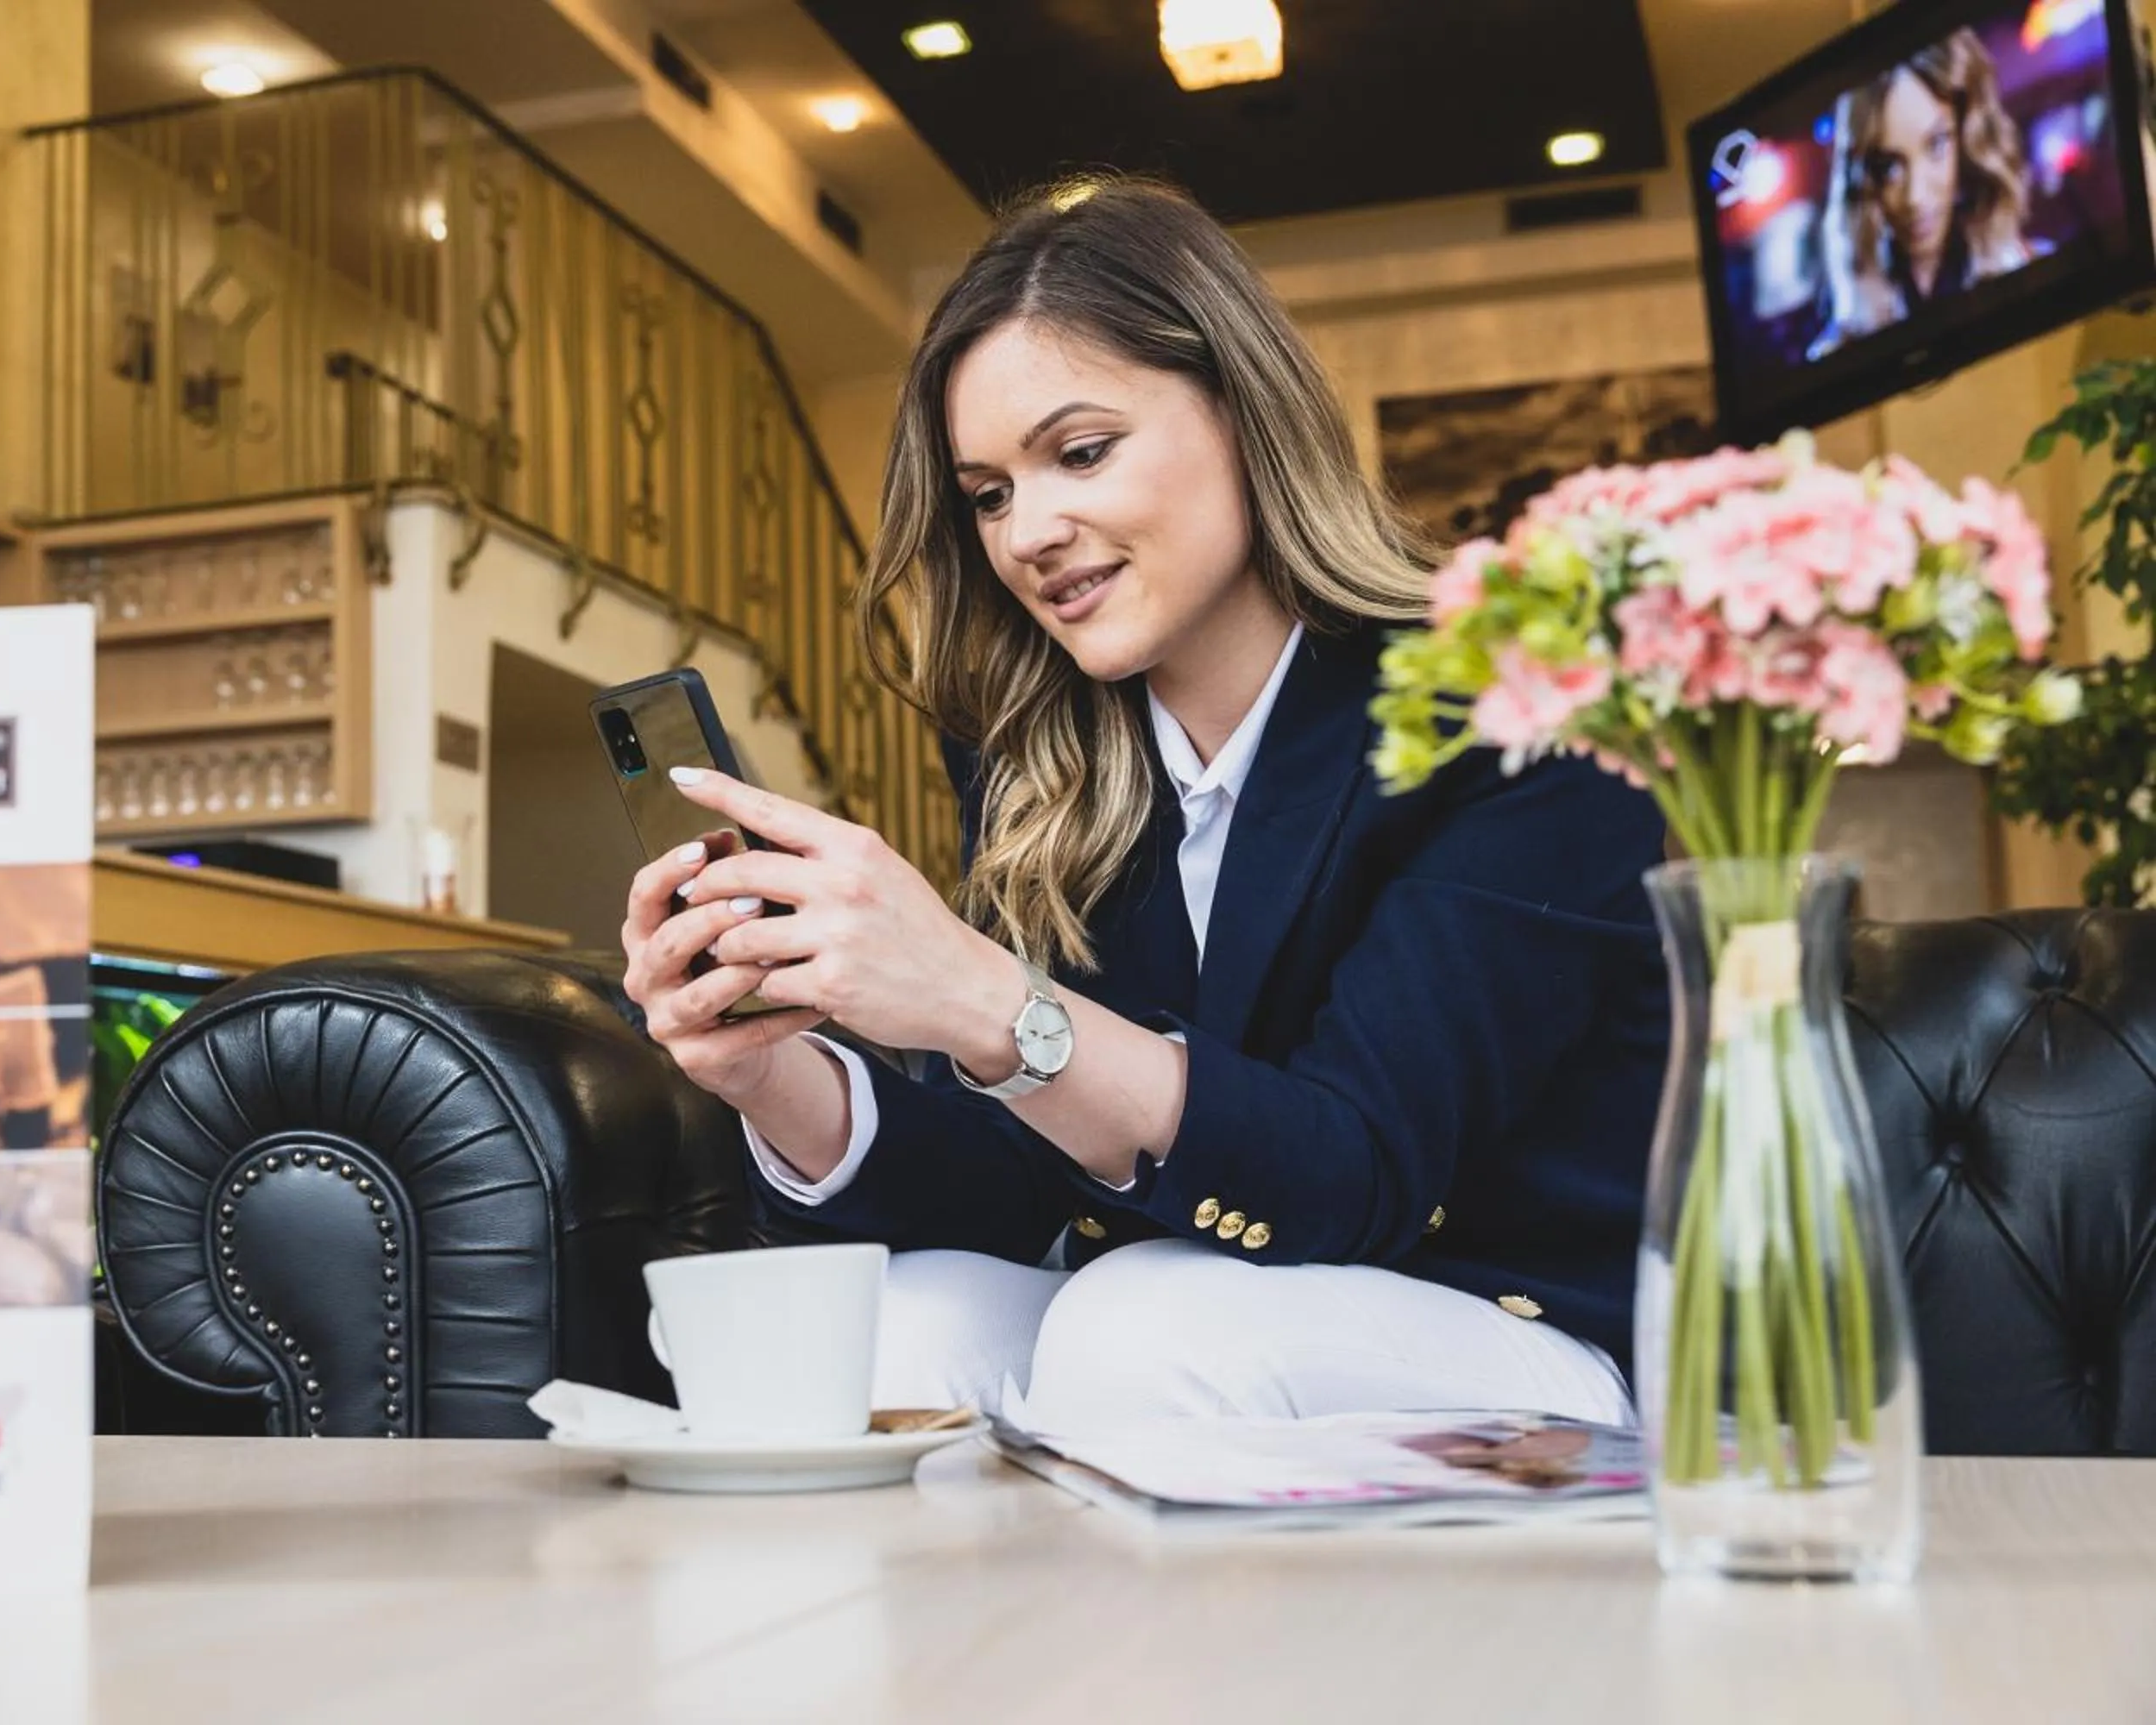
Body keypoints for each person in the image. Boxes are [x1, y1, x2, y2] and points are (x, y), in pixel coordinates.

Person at [619, 178, 1669, 1433]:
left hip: (1530, 1329)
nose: (1028, 534)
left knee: (1141, 1325)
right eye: (989, 493)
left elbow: (1357, 1171)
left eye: (1080, 453)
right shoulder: (1042, 760)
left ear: (1243, 414)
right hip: (1206, 1304)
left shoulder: (1508, 705)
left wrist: (987, 1000)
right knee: (883, 1335)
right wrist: (772, 1072)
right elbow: (1020, 1187)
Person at [1813, 28, 2040, 356]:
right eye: (1889, 166)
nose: (1915, 197)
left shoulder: (2030, 271)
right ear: (1863, 180)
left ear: (1966, 140)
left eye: (1936, 145)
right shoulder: (1840, 347)